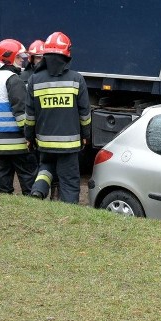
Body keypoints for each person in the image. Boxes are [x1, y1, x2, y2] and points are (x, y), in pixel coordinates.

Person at [25, 31, 92, 203]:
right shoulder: (77, 79)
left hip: (44, 142)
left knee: (46, 168)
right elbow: (85, 114)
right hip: (69, 145)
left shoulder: (34, 80)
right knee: (69, 181)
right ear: (67, 54)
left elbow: (30, 115)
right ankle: (69, 215)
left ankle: (38, 192)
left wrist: (29, 137)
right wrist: (86, 135)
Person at [0, 39, 37, 195]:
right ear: (10, 57)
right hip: (15, 138)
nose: (22, 60)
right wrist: (29, 135)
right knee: (27, 172)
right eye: (19, 57)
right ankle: (33, 202)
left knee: (4, 170)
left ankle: (4, 200)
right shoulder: (13, 80)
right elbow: (21, 112)